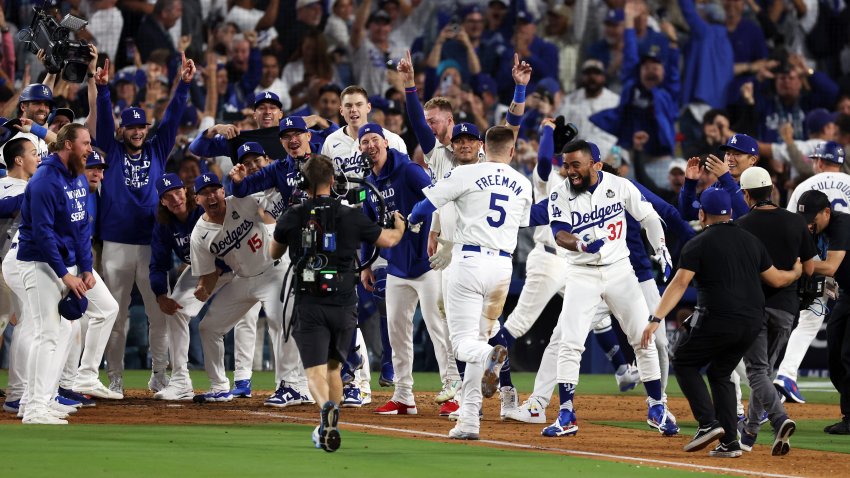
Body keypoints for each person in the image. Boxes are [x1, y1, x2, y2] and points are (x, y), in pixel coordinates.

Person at [642, 187, 802, 457]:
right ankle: (729, 442)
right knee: (720, 372)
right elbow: (775, 279)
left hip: (719, 317)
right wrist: (796, 272)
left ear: (702, 214)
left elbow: (680, 283)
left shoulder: (698, 242)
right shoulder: (752, 241)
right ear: (729, 212)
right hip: (752, 322)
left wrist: (656, 318)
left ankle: (707, 424)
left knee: (684, 361)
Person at [270, 154, 405, 452]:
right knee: (334, 369)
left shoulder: (293, 214)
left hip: (309, 302)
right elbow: (389, 240)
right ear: (333, 181)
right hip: (345, 303)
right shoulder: (351, 214)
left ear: (304, 182)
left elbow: (273, 252)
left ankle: (325, 412)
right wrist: (399, 224)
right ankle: (330, 421)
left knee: (314, 372)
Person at [407, 125, 533, 440]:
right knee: (479, 339)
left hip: (468, 262)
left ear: (483, 148)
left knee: (463, 344)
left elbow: (426, 207)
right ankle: (468, 422)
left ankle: (490, 357)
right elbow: (524, 221)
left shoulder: (465, 174)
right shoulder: (522, 182)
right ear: (512, 151)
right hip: (503, 267)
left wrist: (408, 219)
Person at [95, 53, 195, 396]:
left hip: (151, 244)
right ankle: (116, 378)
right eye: (132, 127)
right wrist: (103, 89)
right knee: (116, 316)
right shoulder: (110, 148)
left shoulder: (157, 149)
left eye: (142, 127)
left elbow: (173, 118)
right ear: (123, 129)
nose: (137, 132)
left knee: (159, 313)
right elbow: (104, 125)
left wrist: (183, 83)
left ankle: (159, 375)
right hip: (116, 244)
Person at [16, 124, 121, 424]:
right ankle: (35, 408)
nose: (90, 149)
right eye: (85, 143)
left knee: (61, 332)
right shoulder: (45, 180)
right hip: (39, 263)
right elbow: (43, 233)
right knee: (46, 334)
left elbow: (80, 227)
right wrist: (65, 274)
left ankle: (38, 400)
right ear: (67, 145)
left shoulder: (75, 177)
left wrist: (86, 268)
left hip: (64, 264)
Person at [357, 123, 455, 417]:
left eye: (375, 139)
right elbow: (368, 225)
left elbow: (438, 199)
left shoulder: (409, 169)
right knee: (397, 332)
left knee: (439, 330)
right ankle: (403, 396)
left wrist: (432, 231)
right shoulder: (367, 182)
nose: (370, 145)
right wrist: (366, 264)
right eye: (364, 142)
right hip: (397, 265)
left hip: (428, 264)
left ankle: (453, 392)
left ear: (386, 142)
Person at [190, 173, 309, 404]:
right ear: (197, 200)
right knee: (209, 327)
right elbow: (209, 274)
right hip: (243, 279)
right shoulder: (199, 235)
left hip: (273, 271)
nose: (211, 195)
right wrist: (204, 288)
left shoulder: (242, 202)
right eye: (204, 192)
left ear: (223, 192)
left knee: (281, 322)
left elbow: (273, 207)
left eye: (215, 189)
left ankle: (290, 386)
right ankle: (219, 386)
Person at [735, 166, 817, 454]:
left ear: (746, 194)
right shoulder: (796, 222)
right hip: (786, 309)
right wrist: (792, 272)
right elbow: (808, 268)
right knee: (765, 371)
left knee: (757, 371)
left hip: (754, 306)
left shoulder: (742, 224)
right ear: (771, 190)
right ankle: (749, 433)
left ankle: (779, 417)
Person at [775, 142, 848, 402]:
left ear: (817, 161)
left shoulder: (804, 187)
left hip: (818, 257)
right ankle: (784, 377)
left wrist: (798, 265)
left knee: (809, 320)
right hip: (838, 259)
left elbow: (791, 229)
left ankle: (785, 375)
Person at [794, 190, 850, 434]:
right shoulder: (816, 229)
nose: (808, 225)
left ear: (827, 212)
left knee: (848, 355)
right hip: (847, 293)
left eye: (812, 220)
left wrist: (796, 266)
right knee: (835, 356)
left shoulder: (842, 223)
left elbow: (830, 266)